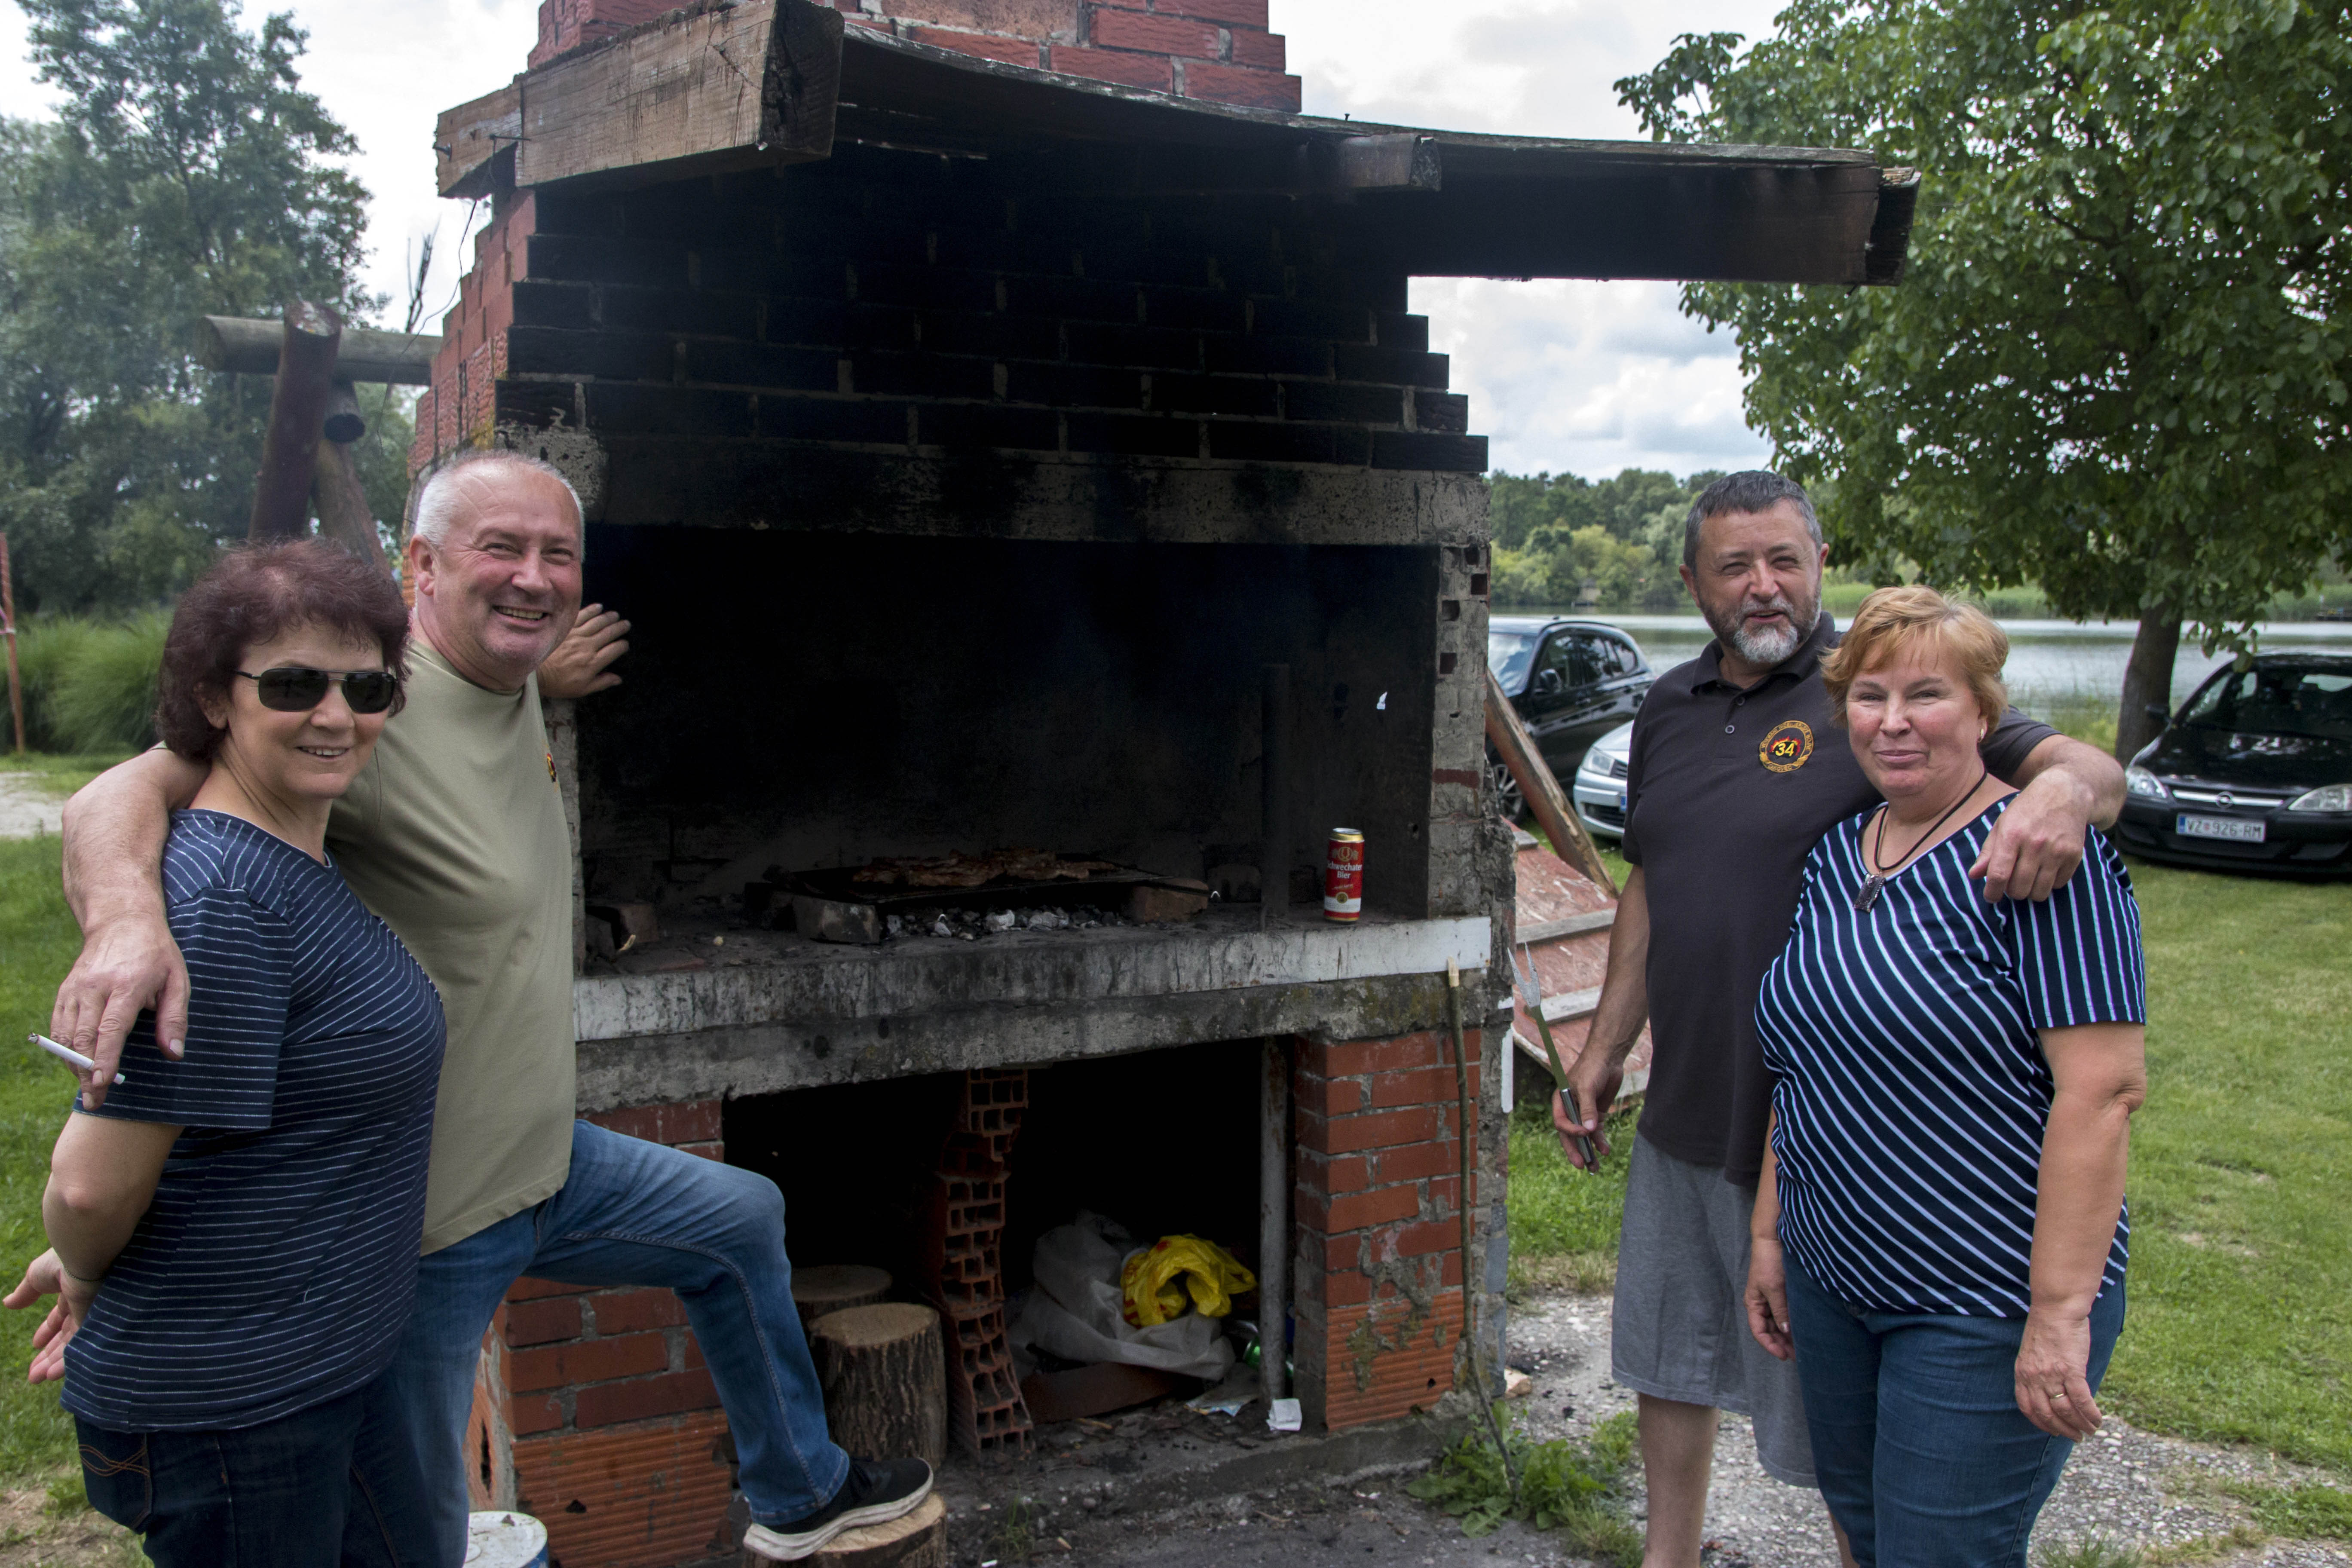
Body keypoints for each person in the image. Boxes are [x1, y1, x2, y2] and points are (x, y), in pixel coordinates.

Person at [36, 450, 929, 1565]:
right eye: (499, 549)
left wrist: (535, 679)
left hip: (544, 1164)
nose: (534, 577)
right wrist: (126, 917)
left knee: (739, 1217)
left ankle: (800, 1490)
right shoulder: (354, 711)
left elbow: (481, 690)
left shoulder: (469, 686)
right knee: (416, 1537)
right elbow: (115, 795)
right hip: (415, 1224)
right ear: (420, 565)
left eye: (558, 554)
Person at [1552, 472, 2126, 1568]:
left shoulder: (1874, 689)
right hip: (1690, 1106)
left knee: (1835, 1436)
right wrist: (1605, 1049)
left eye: (1785, 560)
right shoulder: (1667, 708)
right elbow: (1653, 884)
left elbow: (2069, 766)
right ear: (1692, 583)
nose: (1763, 586)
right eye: (1735, 565)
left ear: (1822, 564)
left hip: (1826, 1132)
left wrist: (2063, 797)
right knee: (1669, 1362)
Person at [5, 540, 444, 1564]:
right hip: (237, 1408)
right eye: (293, 684)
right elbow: (84, 1188)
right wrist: (81, 1267)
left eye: (367, 685)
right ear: (214, 696)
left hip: (326, 1365)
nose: (336, 715)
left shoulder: (286, 858)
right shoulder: (221, 906)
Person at [1746, 586, 2146, 1566]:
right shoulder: (1841, 854)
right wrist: (1769, 1236)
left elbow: (2103, 1093)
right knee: (1869, 1535)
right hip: (1836, 1274)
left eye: (1925, 695)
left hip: (1981, 1293)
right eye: (1869, 696)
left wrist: (2058, 1318)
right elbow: (1803, 1062)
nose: (1892, 723)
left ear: (1984, 713)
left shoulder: (2043, 857)